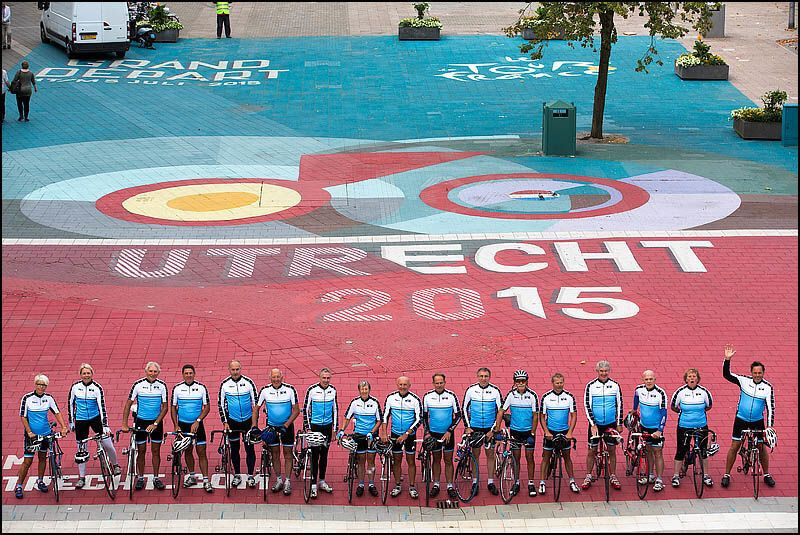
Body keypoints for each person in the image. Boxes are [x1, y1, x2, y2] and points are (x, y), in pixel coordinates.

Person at [721, 344, 776, 488]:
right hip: (741, 419)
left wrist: (769, 427)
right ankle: (726, 474)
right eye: (755, 373)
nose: (757, 375)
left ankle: (766, 474)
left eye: (760, 373)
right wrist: (727, 360)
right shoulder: (744, 381)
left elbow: (771, 408)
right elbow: (727, 375)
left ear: (763, 373)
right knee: (735, 445)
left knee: (761, 447)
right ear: (751, 373)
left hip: (758, 421)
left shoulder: (768, 388)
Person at [14, 375, 69, 499]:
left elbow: (57, 412)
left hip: (46, 433)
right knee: (27, 461)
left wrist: (64, 427)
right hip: (32, 436)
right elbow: (23, 416)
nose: (41, 387)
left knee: (43, 457)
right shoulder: (27, 398)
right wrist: (29, 431)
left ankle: (40, 481)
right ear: (35, 384)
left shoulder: (49, 398)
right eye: (39, 384)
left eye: (44, 385)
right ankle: (19, 485)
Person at [68, 363, 121, 490]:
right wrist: (71, 422)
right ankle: (81, 477)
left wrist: (105, 425)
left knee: (107, 444)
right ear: (80, 375)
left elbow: (102, 407)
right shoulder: (75, 387)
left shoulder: (97, 388)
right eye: (84, 373)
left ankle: (115, 465)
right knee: (81, 449)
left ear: (92, 374)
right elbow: (70, 404)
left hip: (95, 419)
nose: (86, 375)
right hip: (80, 420)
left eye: (88, 373)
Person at [122, 362, 169, 490]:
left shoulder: (162, 386)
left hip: (155, 423)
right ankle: (141, 477)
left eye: (155, 372)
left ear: (158, 373)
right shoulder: (137, 385)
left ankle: (156, 478)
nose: (153, 374)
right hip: (141, 422)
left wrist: (155, 423)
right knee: (141, 451)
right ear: (146, 371)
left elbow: (165, 408)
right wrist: (124, 424)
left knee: (155, 451)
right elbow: (128, 405)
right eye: (151, 371)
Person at [494, 370, 539, 497]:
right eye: (518, 381)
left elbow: (535, 416)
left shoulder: (532, 395)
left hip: (528, 432)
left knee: (530, 458)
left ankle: (531, 483)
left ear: (527, 382)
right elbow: (501, 411)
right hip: (515, 432)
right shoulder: (511, 395)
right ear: (514, 382)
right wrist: (497, 429)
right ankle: (517, 482)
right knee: (516, 458)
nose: (520, 383)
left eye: (523, 381)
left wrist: (533, 434)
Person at [257, 368, 300, 496]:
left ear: (282, 377)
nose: (276, 379)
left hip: (286, 428)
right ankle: (279, 479)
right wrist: (254, 426)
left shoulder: (290, 390)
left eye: (278, 377)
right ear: (270, 378)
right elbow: (256, 409)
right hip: (271, 427)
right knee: (275, 454)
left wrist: (286, 425)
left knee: (287, 454)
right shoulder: (265, 391)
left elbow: (296, 410)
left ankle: (287, 481)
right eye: (273, 377)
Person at [581, 360, 623, 491]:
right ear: (597, 371)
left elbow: (620, 405)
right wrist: (592, 424)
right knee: (592, 450)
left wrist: (619, 423)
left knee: (611, 450)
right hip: (596, 424)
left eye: (606, 371)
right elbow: (587, 405)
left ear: (608, 371)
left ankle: (613, 475)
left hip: (610, 423)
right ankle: (588, 475)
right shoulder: (591, 386)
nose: (603, 373)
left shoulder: (615, 385)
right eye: (601, 371)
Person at [170, 364, 213, 493]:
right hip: (183, 425)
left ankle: (206, 480)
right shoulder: (177, 388)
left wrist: (198, 421)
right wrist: (176, 425)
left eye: (190, 373)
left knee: (201, 451)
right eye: (186, 373)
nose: (188, 375)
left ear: (194, 374)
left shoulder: (201, 388)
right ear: (183, 375)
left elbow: (207, 407)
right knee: (188, 451)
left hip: (197, 425)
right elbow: (173, 407)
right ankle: (192, 475)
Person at [462, 367, 504, 496]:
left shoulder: (495, 391)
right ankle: (475, 482)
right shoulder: (471, 390)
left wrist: (493, 430)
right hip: (475, 428)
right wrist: (467, 426)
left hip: (489, 429)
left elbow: (500, 412)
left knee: (490, 455)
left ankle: (490, 482)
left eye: (486, 376)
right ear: (477, 376)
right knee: (475, 455)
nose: (483, 378)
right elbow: (463, 409)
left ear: (489, 377)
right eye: (481, 376)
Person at [669, 367, 714, 488]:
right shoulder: (680, 392)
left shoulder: (704, 392)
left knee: (703, 451)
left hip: (701, 425)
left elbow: (709, 405)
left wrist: (697, 413)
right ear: (686, 379)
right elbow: (673, 406)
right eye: (689, 376)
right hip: (684, 425)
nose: (692, 378)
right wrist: (683, 413)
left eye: (694, 376)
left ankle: (706, 475)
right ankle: (676, 475)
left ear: (698, 379)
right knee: (681, 450)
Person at [218, 360, 259, 489]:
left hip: (247, 422)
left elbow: (256, 404)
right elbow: (221, 405)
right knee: (234, 449)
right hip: (232, 421)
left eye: (237, 369)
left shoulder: (248, 382)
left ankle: (251, 475)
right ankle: (236, 474)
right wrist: (225, 422)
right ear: (229, 370)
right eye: (233, 370)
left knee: (249, 449)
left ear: (240, 369)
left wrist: (254, 423)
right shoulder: (225, 384)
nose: (235, 372)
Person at [338, 380, 382, 497]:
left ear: (369, 390)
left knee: (371, 460)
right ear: (359, 390)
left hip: (371, 436)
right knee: (361, 460)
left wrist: (372, 432)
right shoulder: (354, 402)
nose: (364, 391)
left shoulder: (375, 402)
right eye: (362, 389)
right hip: (359, 435)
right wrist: (342, 430)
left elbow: (379, 420)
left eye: (366, 389)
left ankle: (371, 484)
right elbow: (347, 418)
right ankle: (361, 484)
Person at [381, 375, 423, 498]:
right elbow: (385, 416)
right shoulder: (391, 398)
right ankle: (398, 484)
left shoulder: (415, 399)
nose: (403, 387)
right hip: (395, 434)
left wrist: (406, 434)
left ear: (409, 386)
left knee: (411, 461)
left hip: (409, 436)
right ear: (397, 385)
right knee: (397, 460)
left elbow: (419, 419)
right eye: (400, 384)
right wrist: (384, 432)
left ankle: (412, 486)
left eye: (405, 385)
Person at [539, 372, 580, 495]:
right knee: (546, 457)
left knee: (567, 457)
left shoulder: (569, 397)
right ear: (552, 383)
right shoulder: (546, 397)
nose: (559, 385)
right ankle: (542, 482)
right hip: (550, 432)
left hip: (564, 432)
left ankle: (572, 481)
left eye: (561, 382)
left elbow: (574, 416)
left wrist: (570, 432)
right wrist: (546, 431)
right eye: (557, 383)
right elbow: (542, 416)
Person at [421, 373, 461, 499]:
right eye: (436, 383)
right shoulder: (427, 396)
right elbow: (424, 417)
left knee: (448, 460)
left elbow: (458, 415)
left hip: (448, 434)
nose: (439, 385)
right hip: (434, 434)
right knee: (436, 459)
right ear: (433, 383)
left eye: (441, 382)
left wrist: (449, 431)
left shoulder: (451, 396)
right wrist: (427, 432)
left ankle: (449, 486)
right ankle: (436, 484)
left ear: (445, 382)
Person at [630, 370, 668, 492]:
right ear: (643, 380)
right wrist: (634, 410)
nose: (649, 381)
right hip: (644, 426)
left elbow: (664, 413)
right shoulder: (639, 389)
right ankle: (650, 475)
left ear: (655, 379)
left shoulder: (661, 393)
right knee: (648, 451)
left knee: (658, 452)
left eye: (651, 379)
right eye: (646, 379)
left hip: (655, 428)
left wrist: (660, 430)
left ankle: (659, 479)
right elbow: (636, 398)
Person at [304, 367, 338, 498]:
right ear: (319, 377)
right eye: (324, 378)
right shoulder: (312, 390)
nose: (326, 380)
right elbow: (305, 409)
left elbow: (335, 409)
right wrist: (308, 428)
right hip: (315, 426)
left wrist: (335, 429)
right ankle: (313, 484)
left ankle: (322, 481)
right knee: (314, 455)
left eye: (328, 378)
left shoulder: (333, 390)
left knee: (324, 455)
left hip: (327, 428)